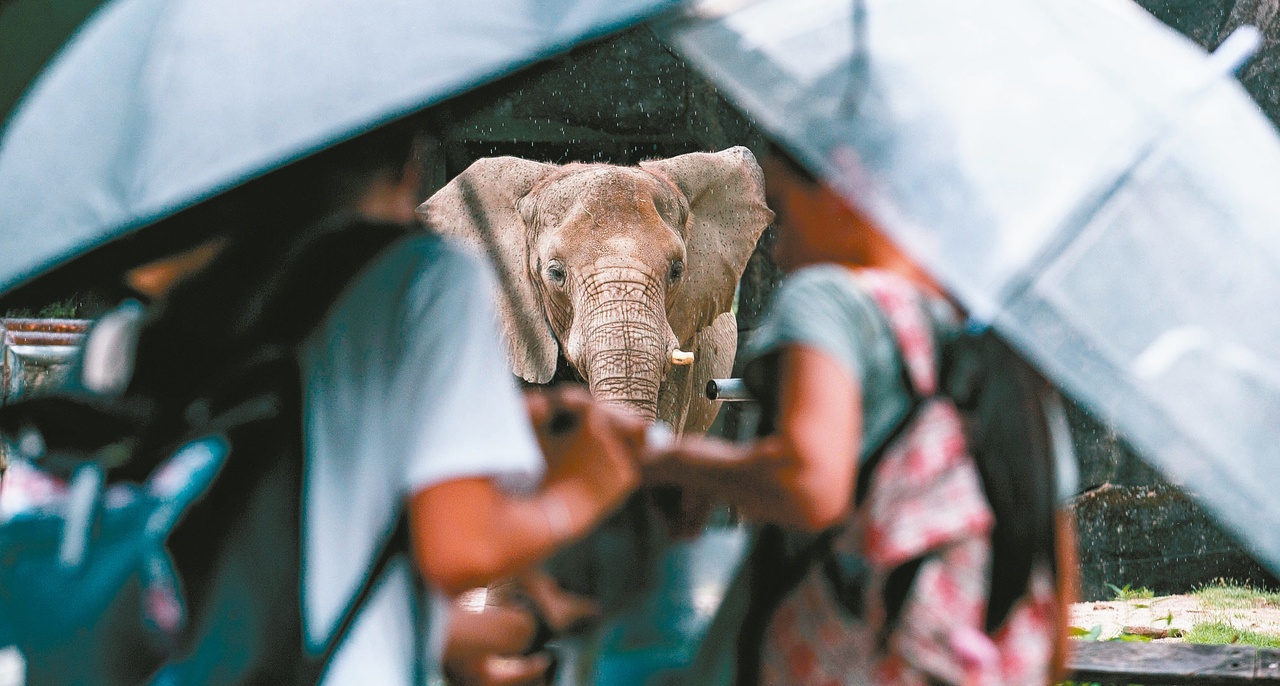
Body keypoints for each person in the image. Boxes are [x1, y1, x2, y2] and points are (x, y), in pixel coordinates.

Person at [103, 124, 645, 686]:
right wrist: (586, 488)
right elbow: (461, 549)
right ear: (406, 161)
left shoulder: (169, 314)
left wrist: (453, 641)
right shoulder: (425, 275)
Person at [643, 147, 1075, 686]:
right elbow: (1053, 611)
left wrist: (662, 457)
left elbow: (810, 483)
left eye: (783, 212)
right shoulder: (1012, 360)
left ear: (845, 182)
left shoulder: (828, 300)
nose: (778, 253)